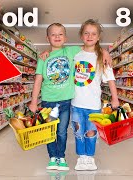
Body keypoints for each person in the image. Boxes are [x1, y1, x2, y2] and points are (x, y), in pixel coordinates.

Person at [29, 23, 112, 171]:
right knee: (50, 131)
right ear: (47, 38)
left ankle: (61, 157)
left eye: (60, 34)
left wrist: (105, 52)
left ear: (66, 38)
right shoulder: (43, 58)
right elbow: (37, 82)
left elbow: (90, 47)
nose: (57, 37)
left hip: (67, 101)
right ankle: (52, 157)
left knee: (62, 131)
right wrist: (33, 102)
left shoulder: (71, 51)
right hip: (48, 100)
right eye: (53, 35)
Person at [71, 19, 119, 171]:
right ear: (81, 35)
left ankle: (90, 158)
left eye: (93, 34)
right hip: (76, 103)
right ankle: (81, 157)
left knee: (91, 132)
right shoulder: (75, 54)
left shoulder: (101, 57)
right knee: (78, 131)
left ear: (98, 37)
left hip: (93, 104)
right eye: (86, 33)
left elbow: (110, 78)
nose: (89, 36)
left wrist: (115, 98)